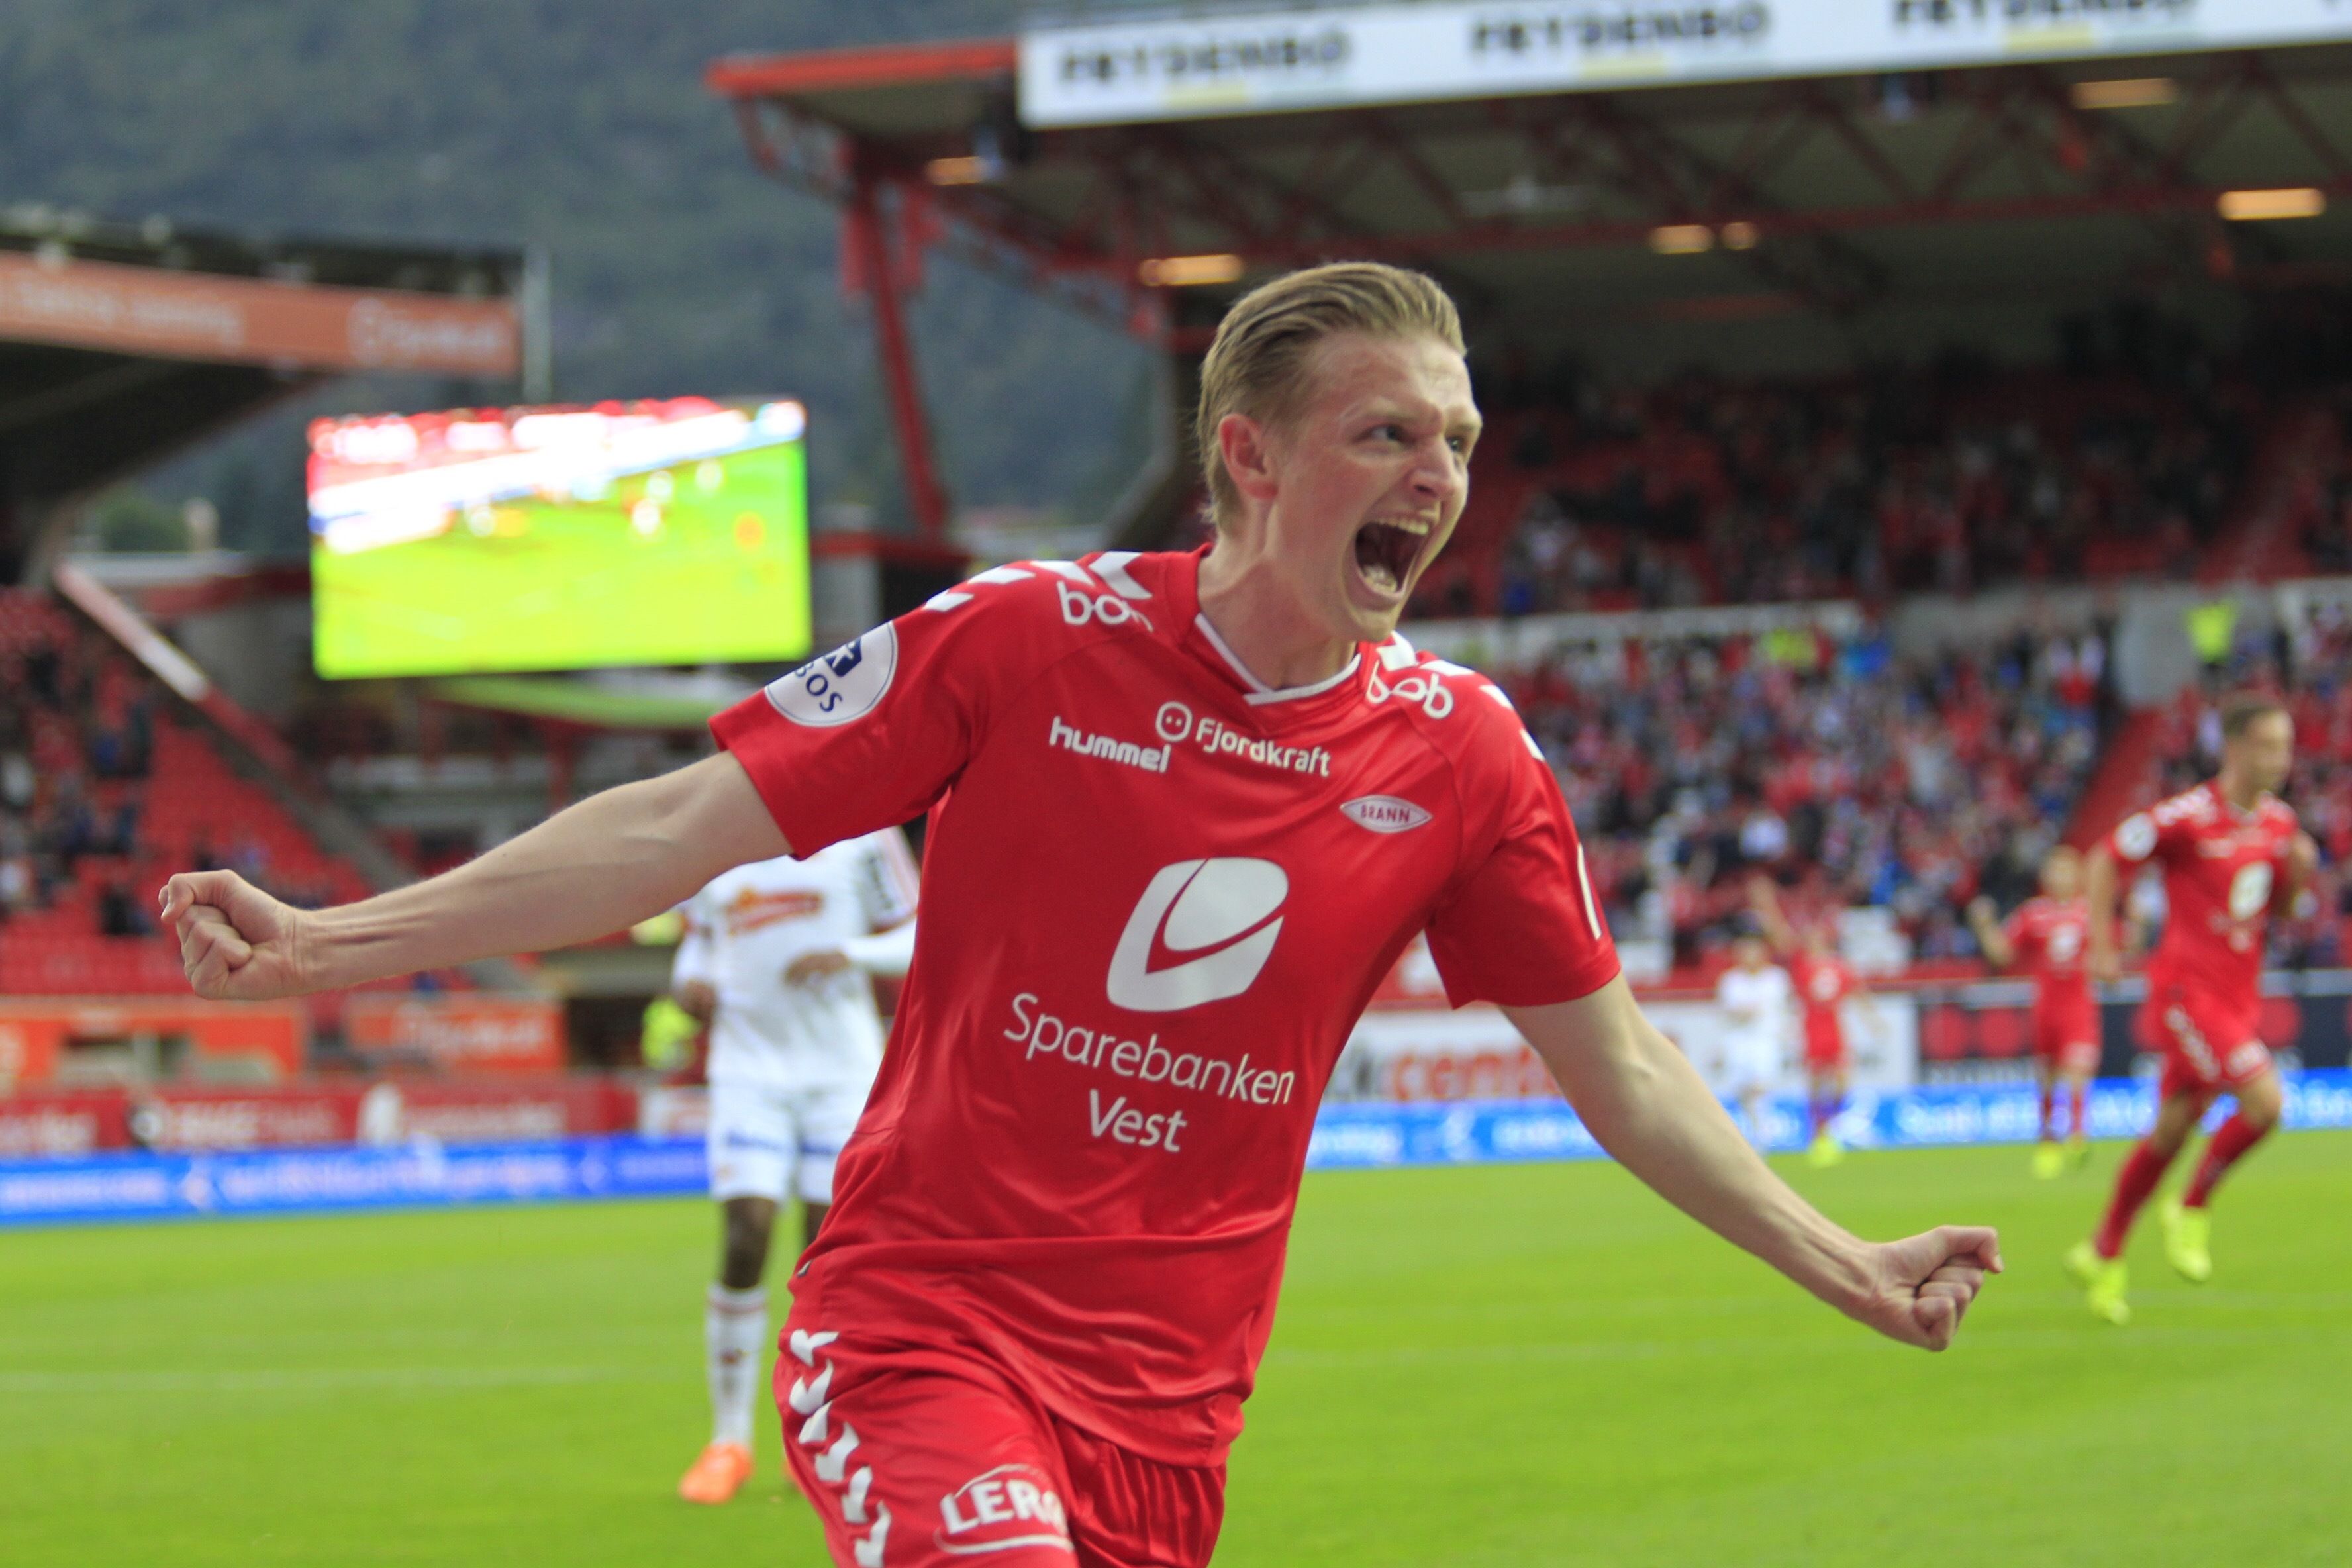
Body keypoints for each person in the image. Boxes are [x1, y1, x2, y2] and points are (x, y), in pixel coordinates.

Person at [161, 262, 1999, 1568]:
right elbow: (676, 826)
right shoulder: (1023, 640)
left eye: (1454, 437)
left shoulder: (1463, 758)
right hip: (920, 1333)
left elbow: (1624, 1069)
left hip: (1173, 1417)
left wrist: (1843, 1261)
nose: (1438, 477)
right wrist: (327, 941)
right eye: (1385, 432)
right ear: (1251, 458)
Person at [670, 835, 919, 1506]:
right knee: (746, 1232)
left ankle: (816, 1433)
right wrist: (689, 982)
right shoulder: (721, 834)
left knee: (825, 1257)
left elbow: (920, 934)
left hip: (840, 1073)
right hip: (747, 1069)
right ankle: (728, 1441)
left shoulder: (866, 836)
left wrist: (850, 953)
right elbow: (698, 942)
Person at [2067, 695, 2315, 1326]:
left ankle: (2103, 1252)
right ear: (2233, 748)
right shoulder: (2186, 817)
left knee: (2172, 1130)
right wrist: (2103, 946)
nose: (2281, 759)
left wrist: (2298, 875)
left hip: (2237, 996)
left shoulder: (2280, 824)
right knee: (2266, 1104)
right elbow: (2104, 858)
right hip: (2187, 994)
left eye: (2286, 746)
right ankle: (2192, 1205)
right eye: (2268, 746)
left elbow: (2278, 911)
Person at [1968, 846, 2100, 1179]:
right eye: (2055, 870)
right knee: (2048, 1079)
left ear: (2078, 876)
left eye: (2067, 870)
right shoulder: (2033, 914)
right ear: (2046, 876)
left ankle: (2078, 1137)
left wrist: (2139, 924)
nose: (2060, 877)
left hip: (2079, 1008)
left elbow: (2122, 947)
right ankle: (2048, 1142)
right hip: (2046, 1009)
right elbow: (2002, 954)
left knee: (2078, 1071)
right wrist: (1984, 926)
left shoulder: (2089, 914)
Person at [1748, 877, 1879, 1167]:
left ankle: (1828, 1128)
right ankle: (1819, 1136)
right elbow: (1778, 934)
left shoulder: (1838, 966)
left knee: (1842, 1085)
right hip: (1812, 1030)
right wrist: (1766, 904)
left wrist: (1873, 1021)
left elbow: (1858, 993)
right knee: (1816, 1085)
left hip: (1835, 1030)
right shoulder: (1802, 964)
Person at [1713, 934, 1791, 1150]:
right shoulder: (1731, 980)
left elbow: (1784, 1010)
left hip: (1766, 1041)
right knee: (1741, 1089)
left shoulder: (1776, 978)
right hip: (1739, 1041)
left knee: (1761, 1086)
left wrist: (1786, 1039)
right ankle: (1753, 1130)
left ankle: (1762, 1136)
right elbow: (1730, 1011)